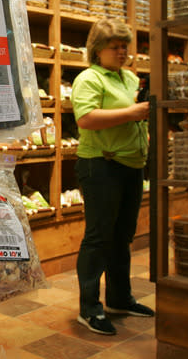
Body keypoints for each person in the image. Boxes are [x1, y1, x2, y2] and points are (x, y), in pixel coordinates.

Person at [71, 18, 153, 336]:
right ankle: (89, 308)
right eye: (115, 46)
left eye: (125, 46)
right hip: (100, 166)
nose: (122, 52)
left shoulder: (130, 78)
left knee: (122, 236)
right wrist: (133, 113)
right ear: (98, 50)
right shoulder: (89, 79)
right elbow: (87, 118)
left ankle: (120, 298)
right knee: (99, 237)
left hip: (132, 165)